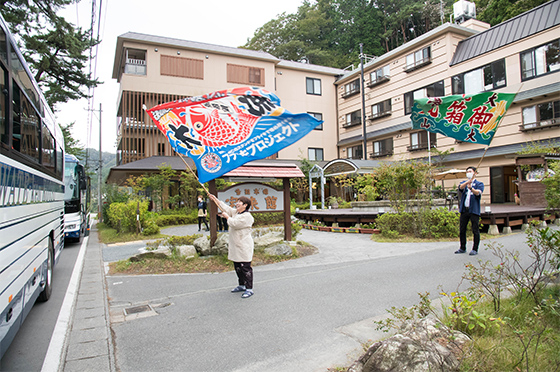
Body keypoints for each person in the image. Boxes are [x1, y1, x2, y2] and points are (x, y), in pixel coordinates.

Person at [208, 194, 255, 298]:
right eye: (237, 201)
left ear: (245, 205)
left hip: (244, 246)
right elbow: (227, 208)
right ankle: (241, 285)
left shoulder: (247, 217)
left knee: (245, 267)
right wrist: (215, 199)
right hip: (236, 246)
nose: (237, 204)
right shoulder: (237, 213)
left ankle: (249, 288)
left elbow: (234, 223)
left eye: (239, 202)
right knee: (237, 266)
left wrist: (227, 217)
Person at [455, 166, 484, 256]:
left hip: (474, 210)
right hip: (464, 210)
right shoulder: (464, 183)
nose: (468, 173)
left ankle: (475, 248)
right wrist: (468, 182)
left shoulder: (479, 183)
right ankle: (462, 247)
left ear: (475, 173)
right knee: (462, 229)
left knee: (475, 229)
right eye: (467, 171)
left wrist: (471, 188)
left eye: (470, 171)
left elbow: (478, 193)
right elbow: (460, 188)